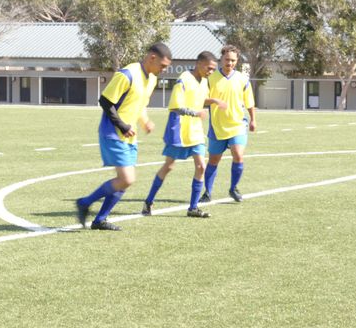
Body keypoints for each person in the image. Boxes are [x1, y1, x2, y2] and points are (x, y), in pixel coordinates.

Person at [75, 42, 172, 231]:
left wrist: (145, 122)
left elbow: (140, 105)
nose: (164, 70)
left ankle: (100, 220)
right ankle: (84, 203)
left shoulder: (151, 79)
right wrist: (122, 125)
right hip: (112, 132)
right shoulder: (128, 74)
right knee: (127, 179)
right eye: (163, 65)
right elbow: (105, 100)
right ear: (152, 58)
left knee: (124, 182)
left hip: (129, 136)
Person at [141, 51, 226, 218]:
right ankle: (148, 201)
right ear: (199, 64)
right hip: (178, 129)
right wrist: (195, 113)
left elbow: (200, 100)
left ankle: (193, 208)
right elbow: (175, 107)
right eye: (209, 68)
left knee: (201, 166)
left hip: (195, 131)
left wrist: (214, 101)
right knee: (169, 166)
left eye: (213, 70)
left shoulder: (204, 81)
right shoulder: (184, 79)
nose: (210, 72)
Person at [200, 45, 256, 203]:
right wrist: (213, 102)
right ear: (221, 59)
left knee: (238, 155)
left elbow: (249, 102)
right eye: (226, 59)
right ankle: (208, 192)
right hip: (217, 127)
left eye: (232, 60)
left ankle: (233, 188)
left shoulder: (243, 79)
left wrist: (253, 120)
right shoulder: (210, 79)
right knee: (213, 161)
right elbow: (202, 99)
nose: (229, 63)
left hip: (238, 125)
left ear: (237, 61)